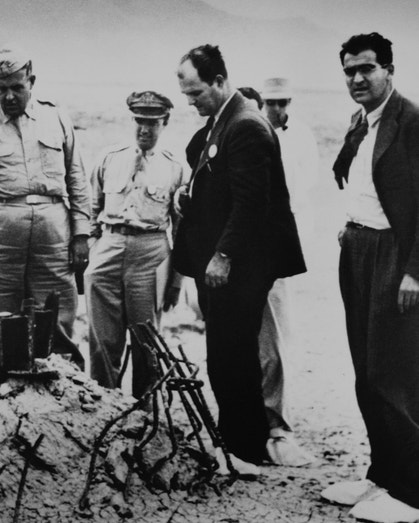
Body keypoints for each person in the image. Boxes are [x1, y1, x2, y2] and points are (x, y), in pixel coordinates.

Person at [173, 44, 305, 478]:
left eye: (197, 94)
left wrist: (223, 255)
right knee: (226, 355)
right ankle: (238, 441)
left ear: (219, 81)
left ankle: (244, 446)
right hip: (222, 265)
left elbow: (251, 203)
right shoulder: (223, 121)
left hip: (238, 266)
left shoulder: (246, 124)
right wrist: (186, 194)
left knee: (233, 356)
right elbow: (209, 173)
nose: (192, 103)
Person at [320, 32, 419, 523]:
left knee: (393, 373)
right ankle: (382, 476)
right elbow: (367, 184)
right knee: (364, 370)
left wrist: (414, 272)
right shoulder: (361, 121)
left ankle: (412, 494)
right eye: (349, 71)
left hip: (395, 256)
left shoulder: (412, 121)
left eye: (367, 69)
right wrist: (350, 229)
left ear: (388, 69)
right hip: (359, 247)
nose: (357, 78)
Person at [0, 44, 90, 385]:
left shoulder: (57, 118)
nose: (9, 96)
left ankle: (61, 396)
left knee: (56, 315)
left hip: (53, 234)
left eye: (17, 87)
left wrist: (82, 234)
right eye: (2, 89)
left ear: (32, 81)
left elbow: (77, 178)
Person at [86, 91, 184, 399]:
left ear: (164, 123)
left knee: (147, 341)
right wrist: (92, 251)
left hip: (151, 252)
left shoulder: (175, 167)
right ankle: (104, 408)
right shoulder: (109, 158)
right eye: (140, 121)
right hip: (109, 245)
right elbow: (91, 210)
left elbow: (182, 230)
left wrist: (177, 281)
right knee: (102, 340)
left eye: (152, 123)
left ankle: (145, 413)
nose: (144, 129)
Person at [257, 76, 319, 467]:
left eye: (283, 102)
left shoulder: (301, 138)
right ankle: (250, 421)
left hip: (277, 247)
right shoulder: (251, 133)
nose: (278, 110)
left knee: (275, 339)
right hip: (248, 245)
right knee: (247, 339)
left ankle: (277, 427)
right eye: (271, 102)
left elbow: (302, 192)